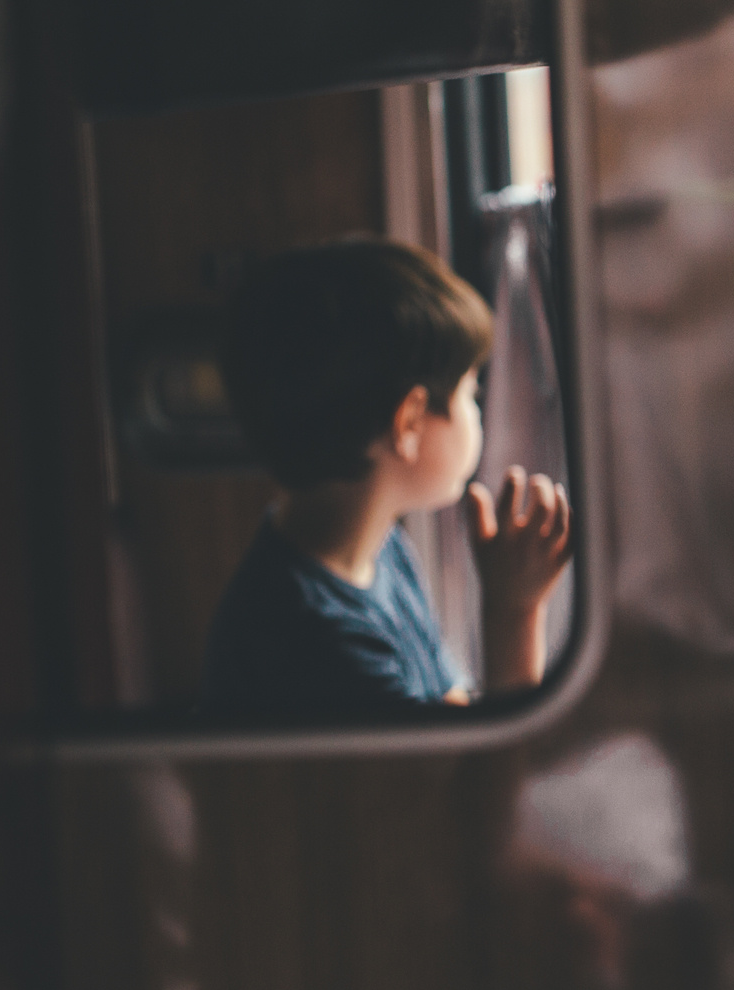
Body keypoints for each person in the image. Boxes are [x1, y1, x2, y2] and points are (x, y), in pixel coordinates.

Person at [204, 236, 572, 713]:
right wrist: (514, 612)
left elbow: (450, 707)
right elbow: (485, 780)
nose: (476, 414)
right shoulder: (319, 646)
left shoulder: (384, 553)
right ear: (409, 422)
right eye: (469, 394)